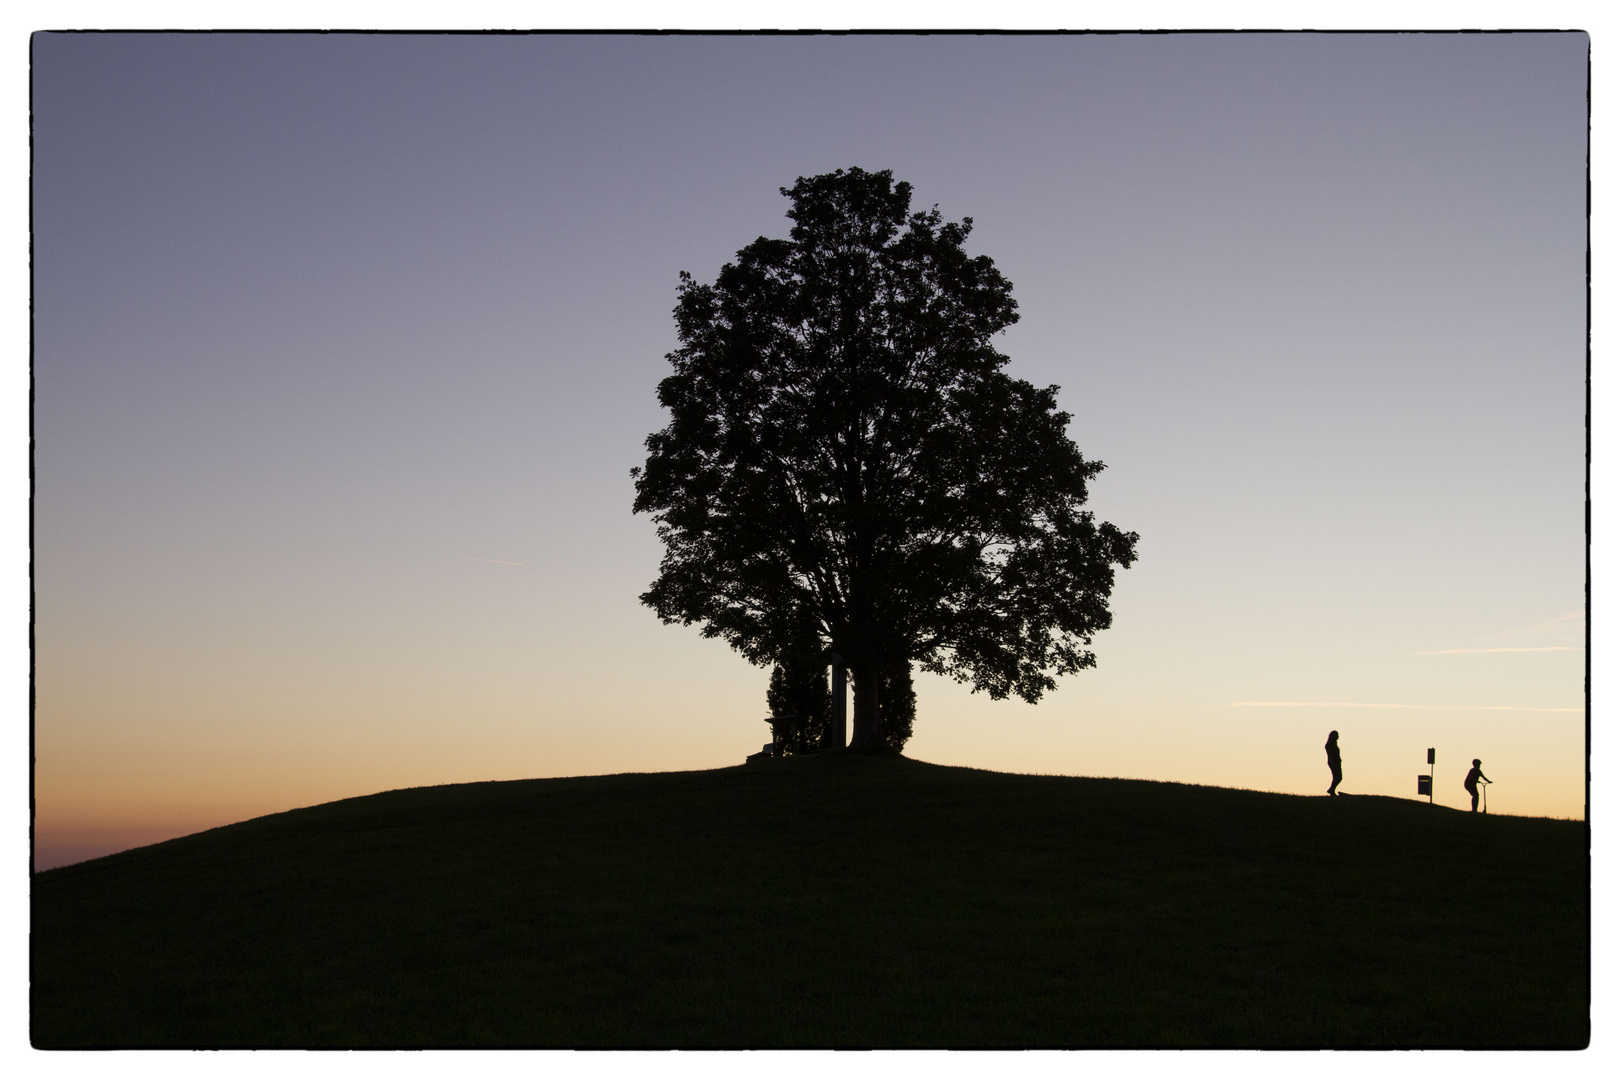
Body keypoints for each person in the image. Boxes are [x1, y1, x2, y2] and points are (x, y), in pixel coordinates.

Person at [1325, 730, 1342, 796]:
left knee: (1338, 777)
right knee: (1337, 777)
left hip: (1337, 762)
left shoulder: (1335, 744)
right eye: (1337, 735)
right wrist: (1333, 763)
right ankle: (1331, 790)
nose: (1338, 737)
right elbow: (1330, 755)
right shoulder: (1329, 745)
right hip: (1334, 763)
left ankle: (1332, 790)